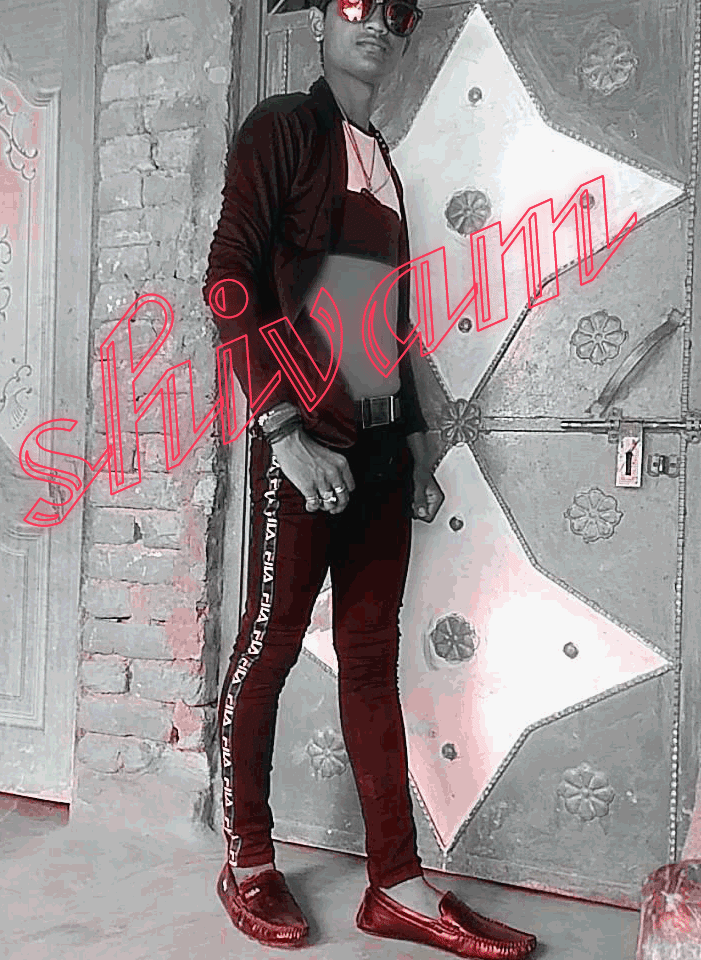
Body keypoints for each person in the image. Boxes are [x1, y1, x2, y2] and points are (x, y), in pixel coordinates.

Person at [202, 2, 537, 957]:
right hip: (304, 440)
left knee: (370, 660)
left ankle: (396, 882)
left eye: (396, 11)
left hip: (383, 451)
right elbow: (229, 278)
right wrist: (281, 429)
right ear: (317, 19)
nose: (377, 23)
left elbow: (388, 316)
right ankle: (249, 860)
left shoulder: (382, 159)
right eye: (355, 4)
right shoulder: (283, 127)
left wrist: (419, 437)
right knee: (266, 648)